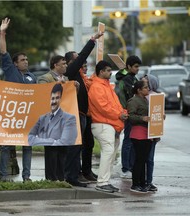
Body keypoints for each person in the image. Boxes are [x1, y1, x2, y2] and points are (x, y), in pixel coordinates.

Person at [0, 17, 37, 182]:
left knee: (27, 146)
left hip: (27, 117)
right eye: (22, 60)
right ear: (14, 64)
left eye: (27, 59)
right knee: (6, 146)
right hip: (11, 116)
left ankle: (26, 176)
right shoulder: (9, 70)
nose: (26, 62)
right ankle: (3, 176)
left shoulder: (31, 77)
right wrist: (2, 33)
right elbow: (3, 52)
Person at [63, 31, 103, 187]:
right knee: (74, 147)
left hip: (84, 114)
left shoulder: (80, 75)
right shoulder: (71, 72)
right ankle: (71, 177)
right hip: (76, 114)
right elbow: (82, 57)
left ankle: (79, 174)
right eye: (76, 58)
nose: (80, 59)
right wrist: (92, 40)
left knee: (83, 145)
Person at [33, 56, 75, 181]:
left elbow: (70, 98)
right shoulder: (44, 78)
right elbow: (42, 93)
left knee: (62, 150)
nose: (66, 66)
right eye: (63, 64)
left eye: (66, 63)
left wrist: (74, 87)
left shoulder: (67, 79)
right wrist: (58, 85)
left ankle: (61, 178)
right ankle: (51, 178)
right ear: (55, 65)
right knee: (51, 150)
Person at [88, 60, 128, 193]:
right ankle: (102, 182)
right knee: (108, 151)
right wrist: (120, 114)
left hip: (110, 124)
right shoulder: (97, 87)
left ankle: (105, 181)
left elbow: (114, 105)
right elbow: (103, 107)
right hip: (102, 124)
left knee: (111, 152)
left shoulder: (105, 86)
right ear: (101, 72)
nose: (111, 73)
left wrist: (122, 113)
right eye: (108, 70)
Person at [115, 55, 142, 179]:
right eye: (136, 67)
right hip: (129, 113)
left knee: (131, 141)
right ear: (129, 66)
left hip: (131, 112)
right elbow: (131, 97)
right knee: (128, 141)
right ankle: (126, 168)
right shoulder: (127, 80)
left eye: (138, 67)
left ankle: (129, 167)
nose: (138, 69)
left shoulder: (130, 78)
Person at [127, 80, 152, 193]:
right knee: (139, 159)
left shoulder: (146, 100)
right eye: (146, 87)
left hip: (147, 133)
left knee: (144, 159)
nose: (148, 89)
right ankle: (135, 183)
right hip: (138, 134)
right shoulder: (133, 101)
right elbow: (130, 116)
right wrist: (142, 118)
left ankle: (142, 183)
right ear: (139, 90)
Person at [141, 74, 161, 192]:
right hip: (142, 132)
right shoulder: (140, 96)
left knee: (149, 158)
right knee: (143, 158)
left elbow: (158, 115)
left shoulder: (155, 97)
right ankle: (143, 181)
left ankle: (149, 181)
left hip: (152, 133)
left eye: (146, 82)